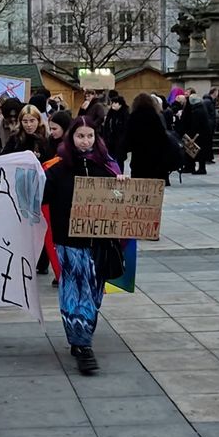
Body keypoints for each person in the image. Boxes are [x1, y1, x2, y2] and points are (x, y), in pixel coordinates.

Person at [43, 117, 122, 375]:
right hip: (69, 241)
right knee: (77, 290)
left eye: (89, 136)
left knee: (94, 291)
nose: (85, 141)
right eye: (80, 136)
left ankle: (81, 335)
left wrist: (123, 187)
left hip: (100, 242)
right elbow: (40, 197)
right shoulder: (57, 168)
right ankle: (82, 343)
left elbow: (120, 203)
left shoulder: (108, 167)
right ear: (71, 137)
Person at [126, 93, 174, 181]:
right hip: (155, 158)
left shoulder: (133, 117)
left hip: (138, 158)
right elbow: (162, 137)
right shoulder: (155, 116)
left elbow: (128, 138)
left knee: (139, 185)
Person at [178, 94, 211, 175]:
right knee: (200, 151)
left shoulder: (196, 110)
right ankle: (200, 168)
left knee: (199, 152)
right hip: (203, 133)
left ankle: (201, 168)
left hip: (199, 134)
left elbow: (195, 124)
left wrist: (192, 134)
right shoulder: (201, 107)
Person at [102, 95, 129, 171]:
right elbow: (106, 126)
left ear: (120, 104)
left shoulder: (125, 114)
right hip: (110, 142)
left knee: (119, 161)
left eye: (115, 103)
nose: (113, 104)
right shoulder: (110, 113)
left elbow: (125, 129)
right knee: (110, 160)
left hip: (120, 143)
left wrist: (123, 141)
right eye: (112, 102)